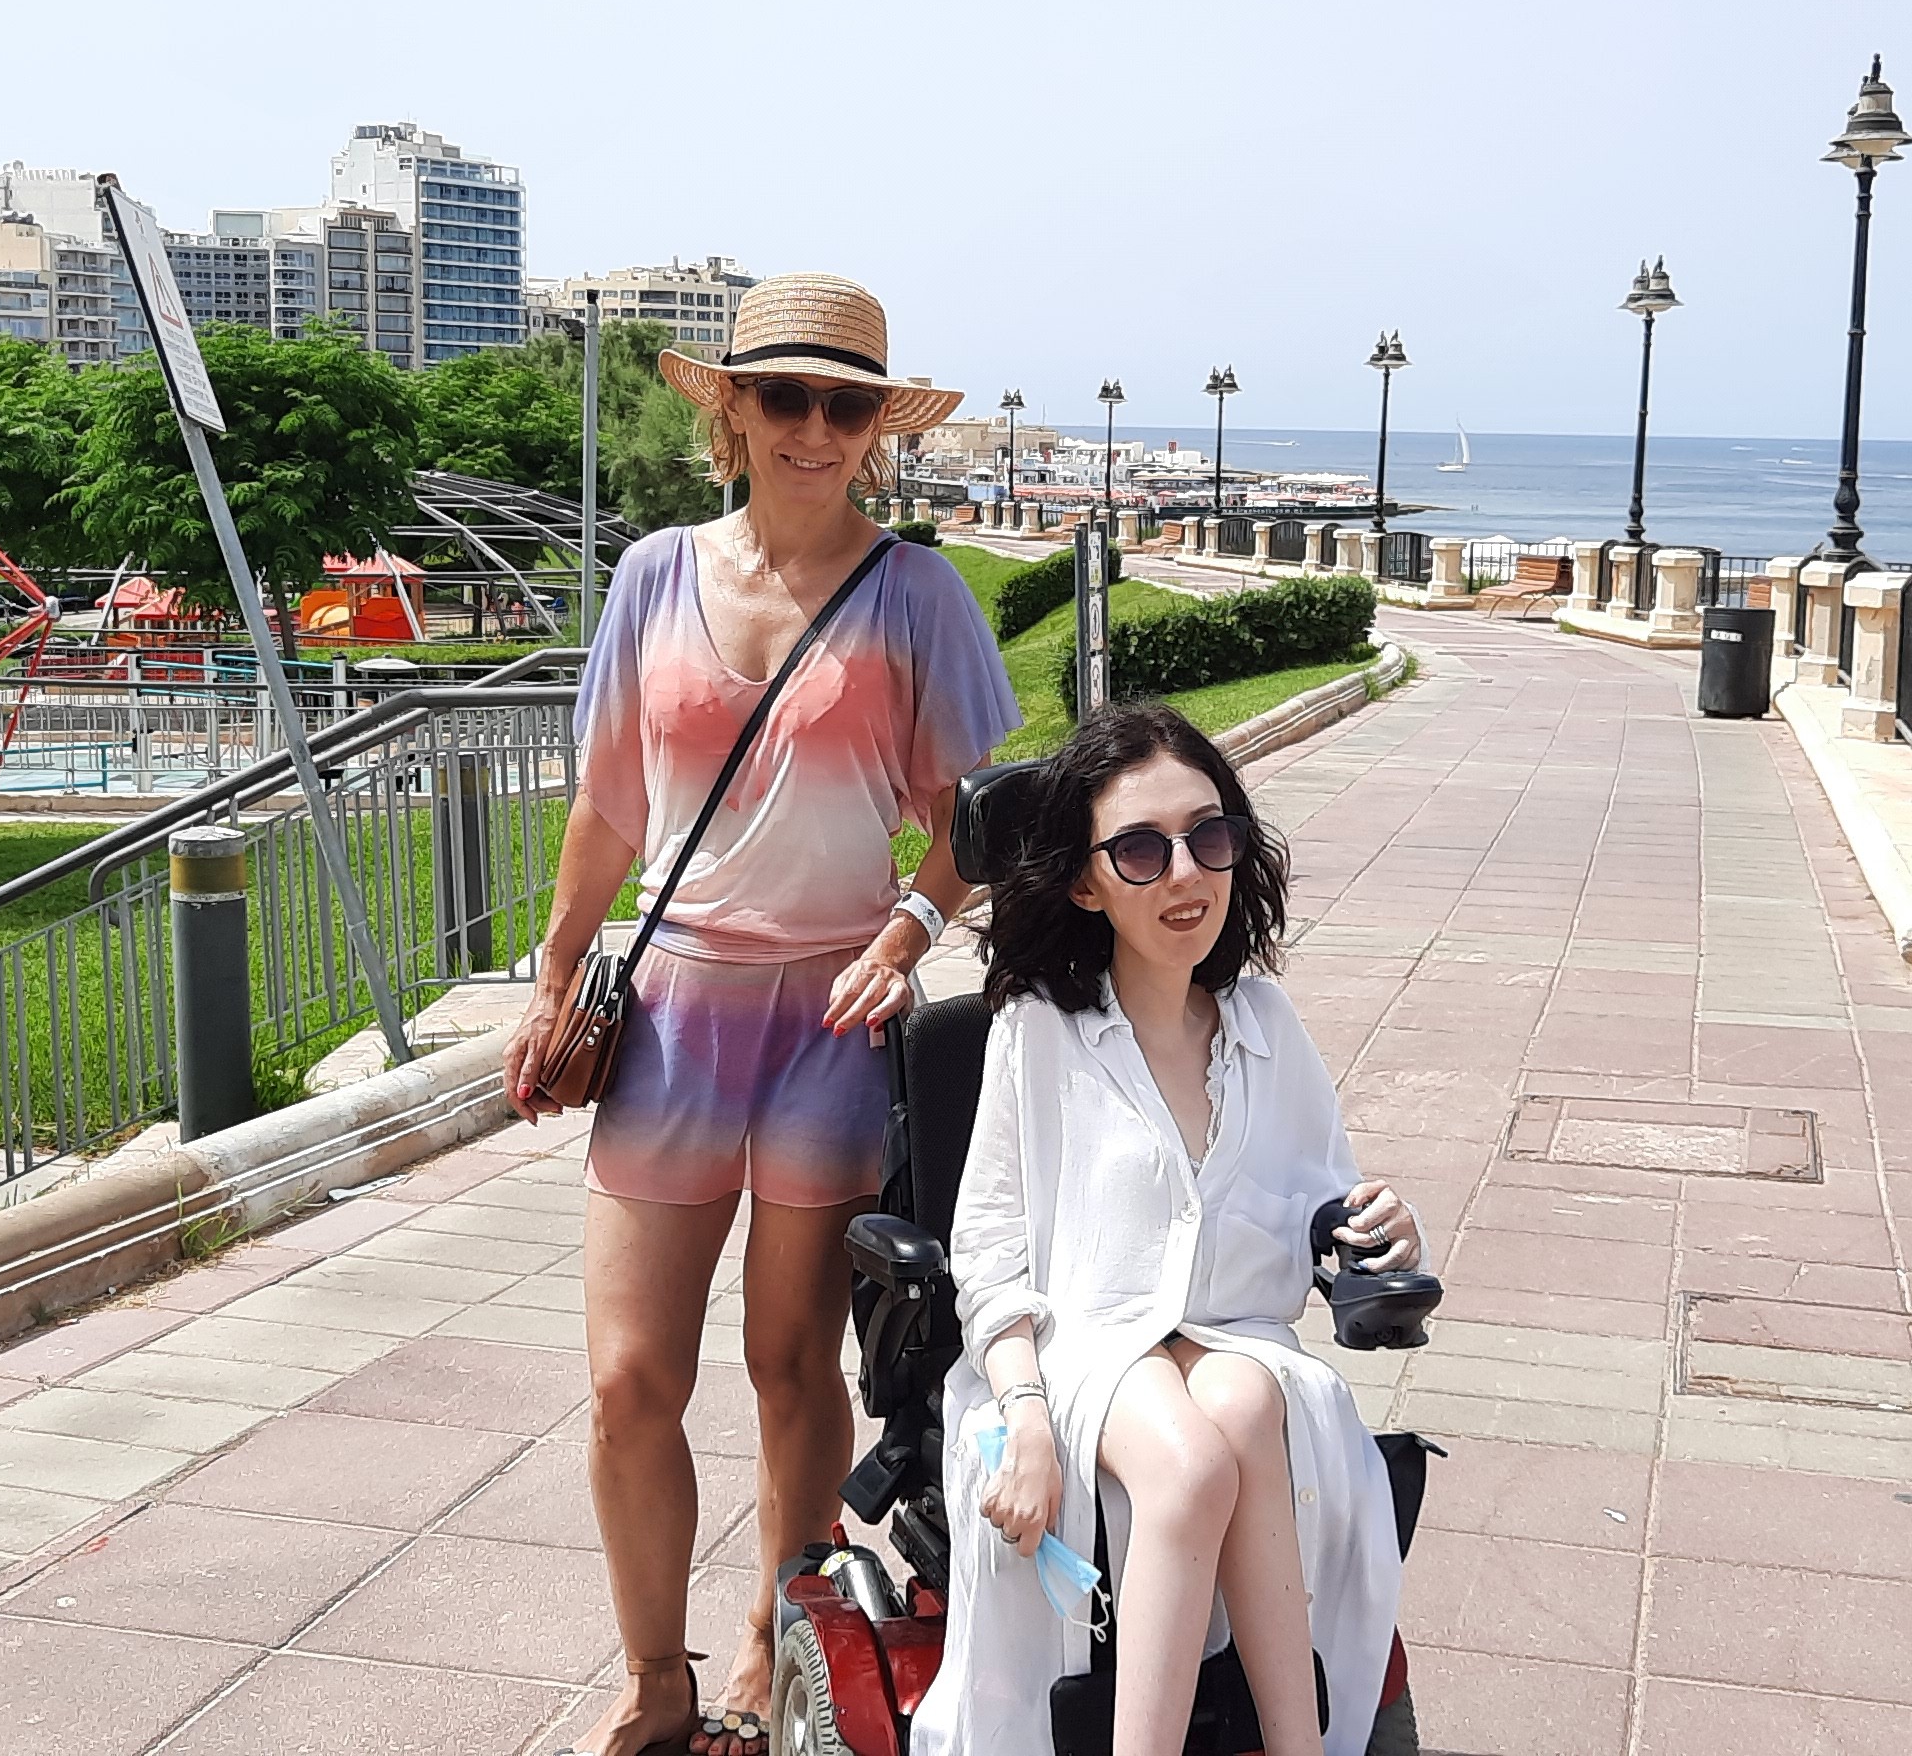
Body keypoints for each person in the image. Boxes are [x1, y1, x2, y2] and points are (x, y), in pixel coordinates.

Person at [509, 272, 1019, 1756]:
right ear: (729, 408)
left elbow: (971, 825)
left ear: (876, 427)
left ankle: (770, 1647)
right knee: (627, 1381)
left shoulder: (916, 594)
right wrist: (555, 970)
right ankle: (651, 1675)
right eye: (782, 395)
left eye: (844, 404)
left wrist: (912, 927)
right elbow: (612, 803)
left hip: (831, 1020)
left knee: (792, 1366)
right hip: (673, 1013)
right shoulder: (654, 574)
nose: (813, 427)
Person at [913, 702, 1422, 1756]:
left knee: (1243, 1403)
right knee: (1188, 1465)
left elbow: (1325, 1206)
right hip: (1079, 1350)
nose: (1185, 873)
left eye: (1208, 836)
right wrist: (1027, 1414)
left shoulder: (1264, 1026)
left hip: (1235, 1340)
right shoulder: (1039, 1032)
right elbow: (990, 1256)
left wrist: (1382, 1231)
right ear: (1084, 882)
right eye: (1141, 851)